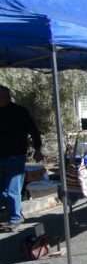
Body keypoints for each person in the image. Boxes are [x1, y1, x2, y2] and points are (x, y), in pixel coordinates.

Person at [0, 86, 43, 230]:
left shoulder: (19, 112)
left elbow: (34, 130)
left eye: (3, 96)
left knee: (12, 189)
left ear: (8, 96)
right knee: (4, 191)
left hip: (16, 156)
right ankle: (12, 215)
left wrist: (37, 149)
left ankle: (15, 219)